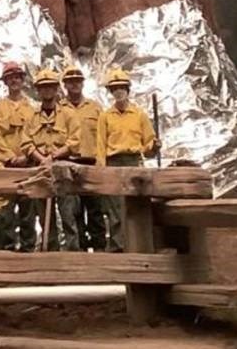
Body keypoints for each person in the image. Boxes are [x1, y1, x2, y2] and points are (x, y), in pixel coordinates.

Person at [95, 68, 158, 251]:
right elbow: (100, 144)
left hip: (133, 162)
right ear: (111, 92)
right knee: (115, 209)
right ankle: (117, 247)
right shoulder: (105, 117)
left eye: (121, 87)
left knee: (137, 205)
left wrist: (154, 146)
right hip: (114, 162)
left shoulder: (139, 115)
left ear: (127, 89)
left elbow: (148, 145)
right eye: (114, 88)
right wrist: (102, 170)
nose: (118, 91)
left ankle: (138, 246)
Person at [20, 69, 81, 251]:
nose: (47, 91)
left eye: (50, 87)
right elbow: (26, 143)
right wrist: (42, 159)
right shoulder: (31, 117)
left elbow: (74, 141)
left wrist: (53, 156)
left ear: (56, 89)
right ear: (38, 91)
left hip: (63, 168)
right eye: (43, 87)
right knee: (44, 215)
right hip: (41, 169)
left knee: (68, 213)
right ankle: (50, 250)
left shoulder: (68, 114)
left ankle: (72, 252)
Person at [0, 62, 37, 252]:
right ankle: (8, 247)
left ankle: (28, 247)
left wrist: (26, 157)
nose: (14, 80)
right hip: (6, 168)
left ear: (22, 80)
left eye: (17, 77)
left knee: (28, 210)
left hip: (27, 167)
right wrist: (9, 158)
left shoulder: (32, 109)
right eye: (10, 78)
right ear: (6, 82)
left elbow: (35, 134)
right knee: (6, 209)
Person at [60, 66, 106, 251]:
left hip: (91, 162)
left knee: (95, 208)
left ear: (83, 83)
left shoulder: (95, 108)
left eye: (78, 81)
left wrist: (102, 162)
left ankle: (100, 245)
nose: (74, 85)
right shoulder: (60, 109)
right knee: (74, 209)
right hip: (70, 162)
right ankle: (79, 247)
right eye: (70, 82)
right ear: (65, 85)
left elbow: (103, 136)